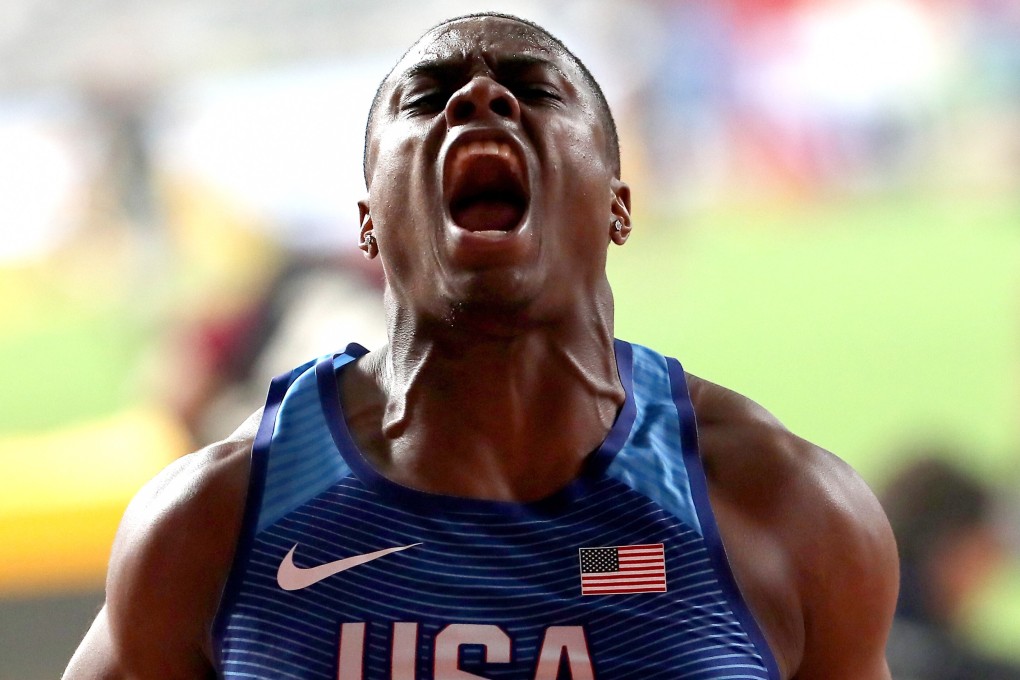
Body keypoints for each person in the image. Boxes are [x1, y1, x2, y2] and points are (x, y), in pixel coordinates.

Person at [63, 12, 898, 679]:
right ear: (367, 224)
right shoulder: (211, 523)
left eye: (535, 90)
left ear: (619, 205)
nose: (481, 100)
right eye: (427, 99)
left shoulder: (785, 510)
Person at [882, 455, 1020, 680]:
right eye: (984, 550)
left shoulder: (858, 610)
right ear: (955, 546)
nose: (991, 575)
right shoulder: (912, 650)